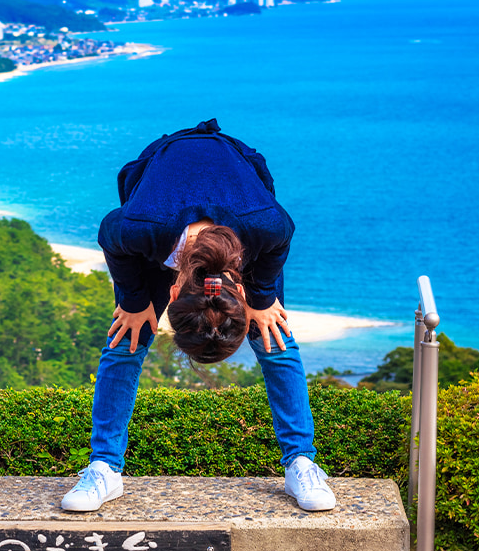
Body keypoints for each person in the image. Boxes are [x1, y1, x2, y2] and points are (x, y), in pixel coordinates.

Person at [61, 119, 336, 513]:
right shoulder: (141, 231)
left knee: (272, 332)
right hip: (164, 193)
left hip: (235, 215)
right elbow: (110, 233)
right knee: (127, 337)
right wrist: (137, 303)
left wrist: (260, 299)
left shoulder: (265, 228)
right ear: (172, 289)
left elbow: (283, 232)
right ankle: (103, 469)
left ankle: (302, 463)